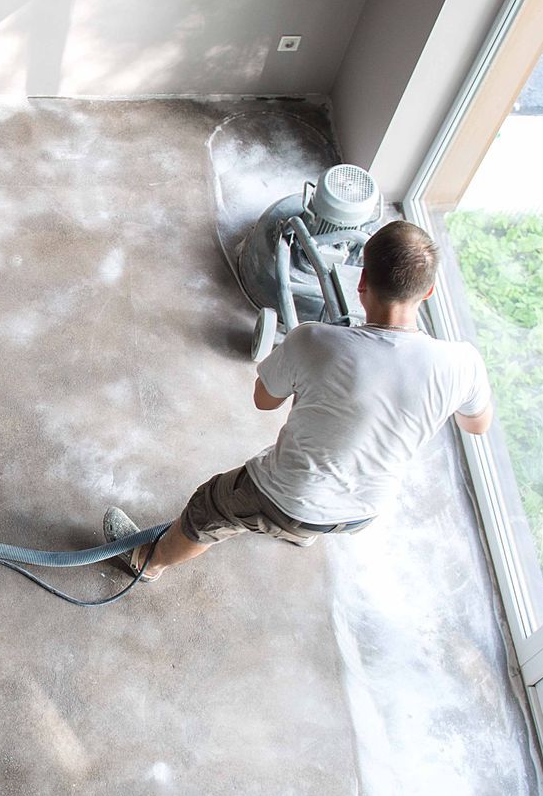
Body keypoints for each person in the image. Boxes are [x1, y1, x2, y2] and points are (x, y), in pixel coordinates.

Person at [104, 220, 493, 580]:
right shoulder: (463, 363)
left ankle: (148, 563)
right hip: (364, 511)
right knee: (308, 500)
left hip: (291, 499)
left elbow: (264, 400)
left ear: (361, 283)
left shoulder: (315, 341)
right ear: (428, 291)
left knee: (208, 508)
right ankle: (299, 529)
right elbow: (477, 423)